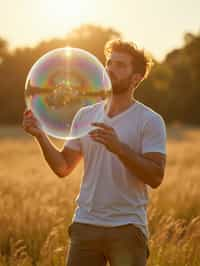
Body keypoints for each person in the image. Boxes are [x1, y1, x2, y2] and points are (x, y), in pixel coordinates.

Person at [23, 39, 167, 266]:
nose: (110, 68)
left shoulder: (150, 120)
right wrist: (40, 136)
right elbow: (62, 167)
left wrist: (119, 149)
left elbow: (156, 176)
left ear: (136, 78)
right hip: (85, 225)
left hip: (127, 228)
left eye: (120, 65)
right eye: (109, 63)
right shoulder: (85, 116)